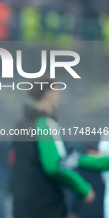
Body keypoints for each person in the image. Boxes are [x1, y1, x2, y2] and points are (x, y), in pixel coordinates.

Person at [12, 75, 109, 218]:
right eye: (57, 91)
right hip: (45, 205)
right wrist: (83, 188)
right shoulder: (45, 124)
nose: (59, 96)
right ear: (48, 93)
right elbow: (55, 165)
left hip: (22, 203)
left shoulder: (20, 125)